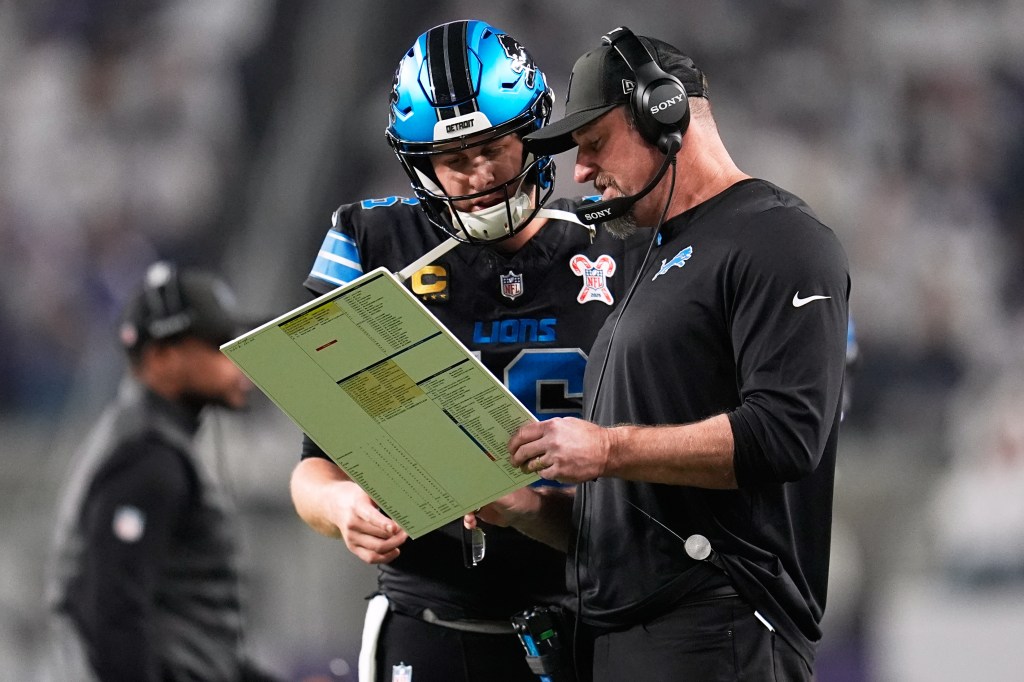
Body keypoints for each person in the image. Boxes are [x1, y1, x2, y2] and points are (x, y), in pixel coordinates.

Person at [466, 27, 851, 680]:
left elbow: (788, 435)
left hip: (719, 627)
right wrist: (527, 508)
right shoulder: (649, 256)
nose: (581, 171)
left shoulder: (781, 238)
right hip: (626, 632)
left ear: (663, 112)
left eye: (592, 145)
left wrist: (606, 449)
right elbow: (647, 507)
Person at [289, 19, 646, 682]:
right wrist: (343, 510)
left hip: (592, 613)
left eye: (494, 148)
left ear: (532, 134)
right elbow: (314, 469)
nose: (479, 174)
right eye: (455, 159)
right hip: (431, 624)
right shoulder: (373, 244)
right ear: (421, 164)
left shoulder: (618, 245)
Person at [46, 261, 276, 681]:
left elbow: (191, 637)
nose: (239, 359)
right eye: (218, 344)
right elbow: (112, 613)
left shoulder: (156, 443)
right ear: (162, 358)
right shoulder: (148, 457)